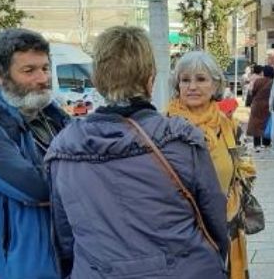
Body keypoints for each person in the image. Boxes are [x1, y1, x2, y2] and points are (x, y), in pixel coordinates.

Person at [46, 27, 229, 278]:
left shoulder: (63, 149)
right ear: (150, 79)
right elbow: (214, 219)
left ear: (98, 81)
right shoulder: (180, 140)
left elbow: (64, 236)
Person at [0, 28, 70, 278]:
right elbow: (37, 188)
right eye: (29, 71)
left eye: (44, 68)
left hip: (71, 263)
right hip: (24, 270)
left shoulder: (53, 116)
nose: (42, 78)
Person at [167, 50, 256, 279]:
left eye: (201, 79)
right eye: (185, 80)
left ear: (215, 85)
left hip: (227, 223)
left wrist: (235, 198)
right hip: (183, 230)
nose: (192, 86)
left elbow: (245, 167)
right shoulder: (165, 127)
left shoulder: (228, 125)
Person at [247, 65, 274, 151]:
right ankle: (266, 142)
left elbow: (253, 91)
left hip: (257, 104)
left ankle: (257, 144)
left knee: (256, 123)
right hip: (268, 104)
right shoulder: (273, 82)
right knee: (267, 123)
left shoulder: (258, 81)